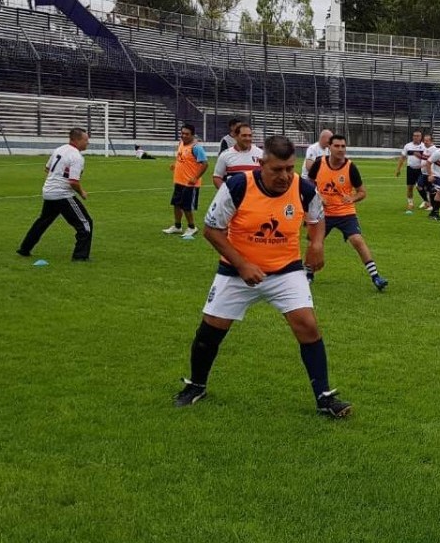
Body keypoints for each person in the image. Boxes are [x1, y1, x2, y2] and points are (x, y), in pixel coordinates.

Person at [172, 135, 353, 417]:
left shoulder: (304, 188)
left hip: (286, 271)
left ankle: (325, 397)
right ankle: (196, 385)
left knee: (308, 325)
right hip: (236, 272)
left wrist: (317, 244)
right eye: (277, 169)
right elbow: (212, 230)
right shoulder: (238, 186)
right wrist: (243, 265)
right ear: (261, 162)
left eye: (289, 168)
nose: (284, 176)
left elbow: (317, 219)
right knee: (211, 329)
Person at [307, 135, 389, 291]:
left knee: (357, 240)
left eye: (343, 146)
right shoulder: (319, 163)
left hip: (345, 213)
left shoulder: (351, 167)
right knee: (313, 243)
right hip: (323, 213)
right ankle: (308, 274)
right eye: (337, 146)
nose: (340, 149)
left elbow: (362, 192)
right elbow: (309, 183)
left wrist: (351, 198)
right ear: (329, 148)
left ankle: (376, 277)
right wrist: (317, 196)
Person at [17, 128, 94, 261]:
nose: (88, 142)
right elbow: (73, 182)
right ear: (76, 140)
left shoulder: (59, 150)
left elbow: (47, 168)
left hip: (49, 192)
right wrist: (82, 193)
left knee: (43, 221)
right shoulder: (76, 156)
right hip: (62, 194)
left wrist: (57, 178)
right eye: (86, 140)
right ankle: (80, 257)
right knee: (85, 223)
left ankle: (24, 249)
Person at [163, 124, 208, 237]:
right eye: (182, 133)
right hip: (179, 181)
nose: (184, 136)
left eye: (187, 134)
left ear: (192, 135)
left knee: (186, 206)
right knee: (176, 204)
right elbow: (182, 158)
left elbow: (205, 164)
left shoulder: (196, 147)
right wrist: (175, 165)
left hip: (190, 183)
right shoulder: (181, 143)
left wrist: (195, 177)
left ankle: (192, 227)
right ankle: (177, 226)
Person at [211, 123, 262, 189]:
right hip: (235, 198)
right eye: (244, 135)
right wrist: (225, 193)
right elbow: (217, 177)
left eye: (250, 135)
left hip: (255, 198)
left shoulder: (261, 154)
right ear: (236, 136)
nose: (247, 138)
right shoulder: (225, 155)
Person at [396, 130, 426, 213]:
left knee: (421, 186)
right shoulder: (408, 146)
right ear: (412, 136)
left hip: (421, 170)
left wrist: (420, 156)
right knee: (410, 187)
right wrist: (398, 169)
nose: (416, 137)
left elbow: (428, 158)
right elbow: (402, 157)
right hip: (410, 169)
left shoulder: (424, 146)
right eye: (414, 135)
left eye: (418, 136)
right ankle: (410, 203)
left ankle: (425, 201)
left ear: (421, 137)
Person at [417, 134, 436, 210]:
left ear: (431, 141)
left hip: (430, 173)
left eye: (427, 141)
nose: (425, 142)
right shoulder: (425, 148)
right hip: (423, 173)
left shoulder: (434, 150)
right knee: (419, 186)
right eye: (424, 140)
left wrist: (422, 165)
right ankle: (426, 201)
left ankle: (431, 205)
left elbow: (431, 161)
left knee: (431, 190)